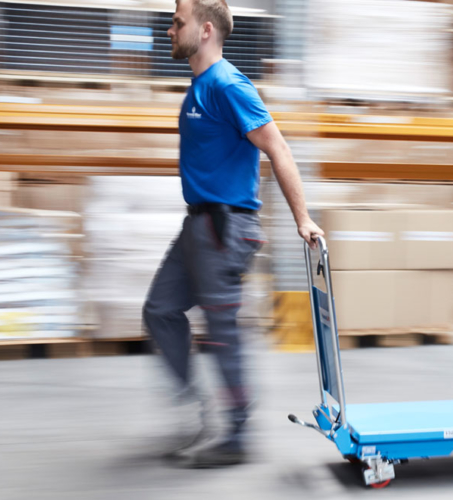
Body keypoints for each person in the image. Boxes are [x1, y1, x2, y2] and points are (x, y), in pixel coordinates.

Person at [143, 0, 323, 468]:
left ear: (204, 31)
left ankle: (238, 434)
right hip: (198, 224)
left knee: (222, 332)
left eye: (176, 23)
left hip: (226, 228)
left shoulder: (227, 84)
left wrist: (302, 218)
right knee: (160, 310)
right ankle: (195, 405)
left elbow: (277, 146)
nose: (169, 30)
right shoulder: (201, 84)